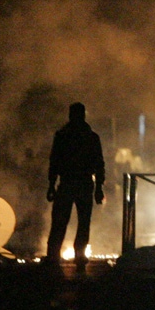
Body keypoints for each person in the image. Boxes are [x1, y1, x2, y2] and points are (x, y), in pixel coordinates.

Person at [46, 102, 106, 269]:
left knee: (60, 222)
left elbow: (54, 162)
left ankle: (53, 257)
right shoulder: (91, 137)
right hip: (84, 184)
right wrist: (99, 188)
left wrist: (51, 185)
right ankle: (78, 256)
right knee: (82, 223)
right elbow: (99, 164)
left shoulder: (62, 136)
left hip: (67, 184)